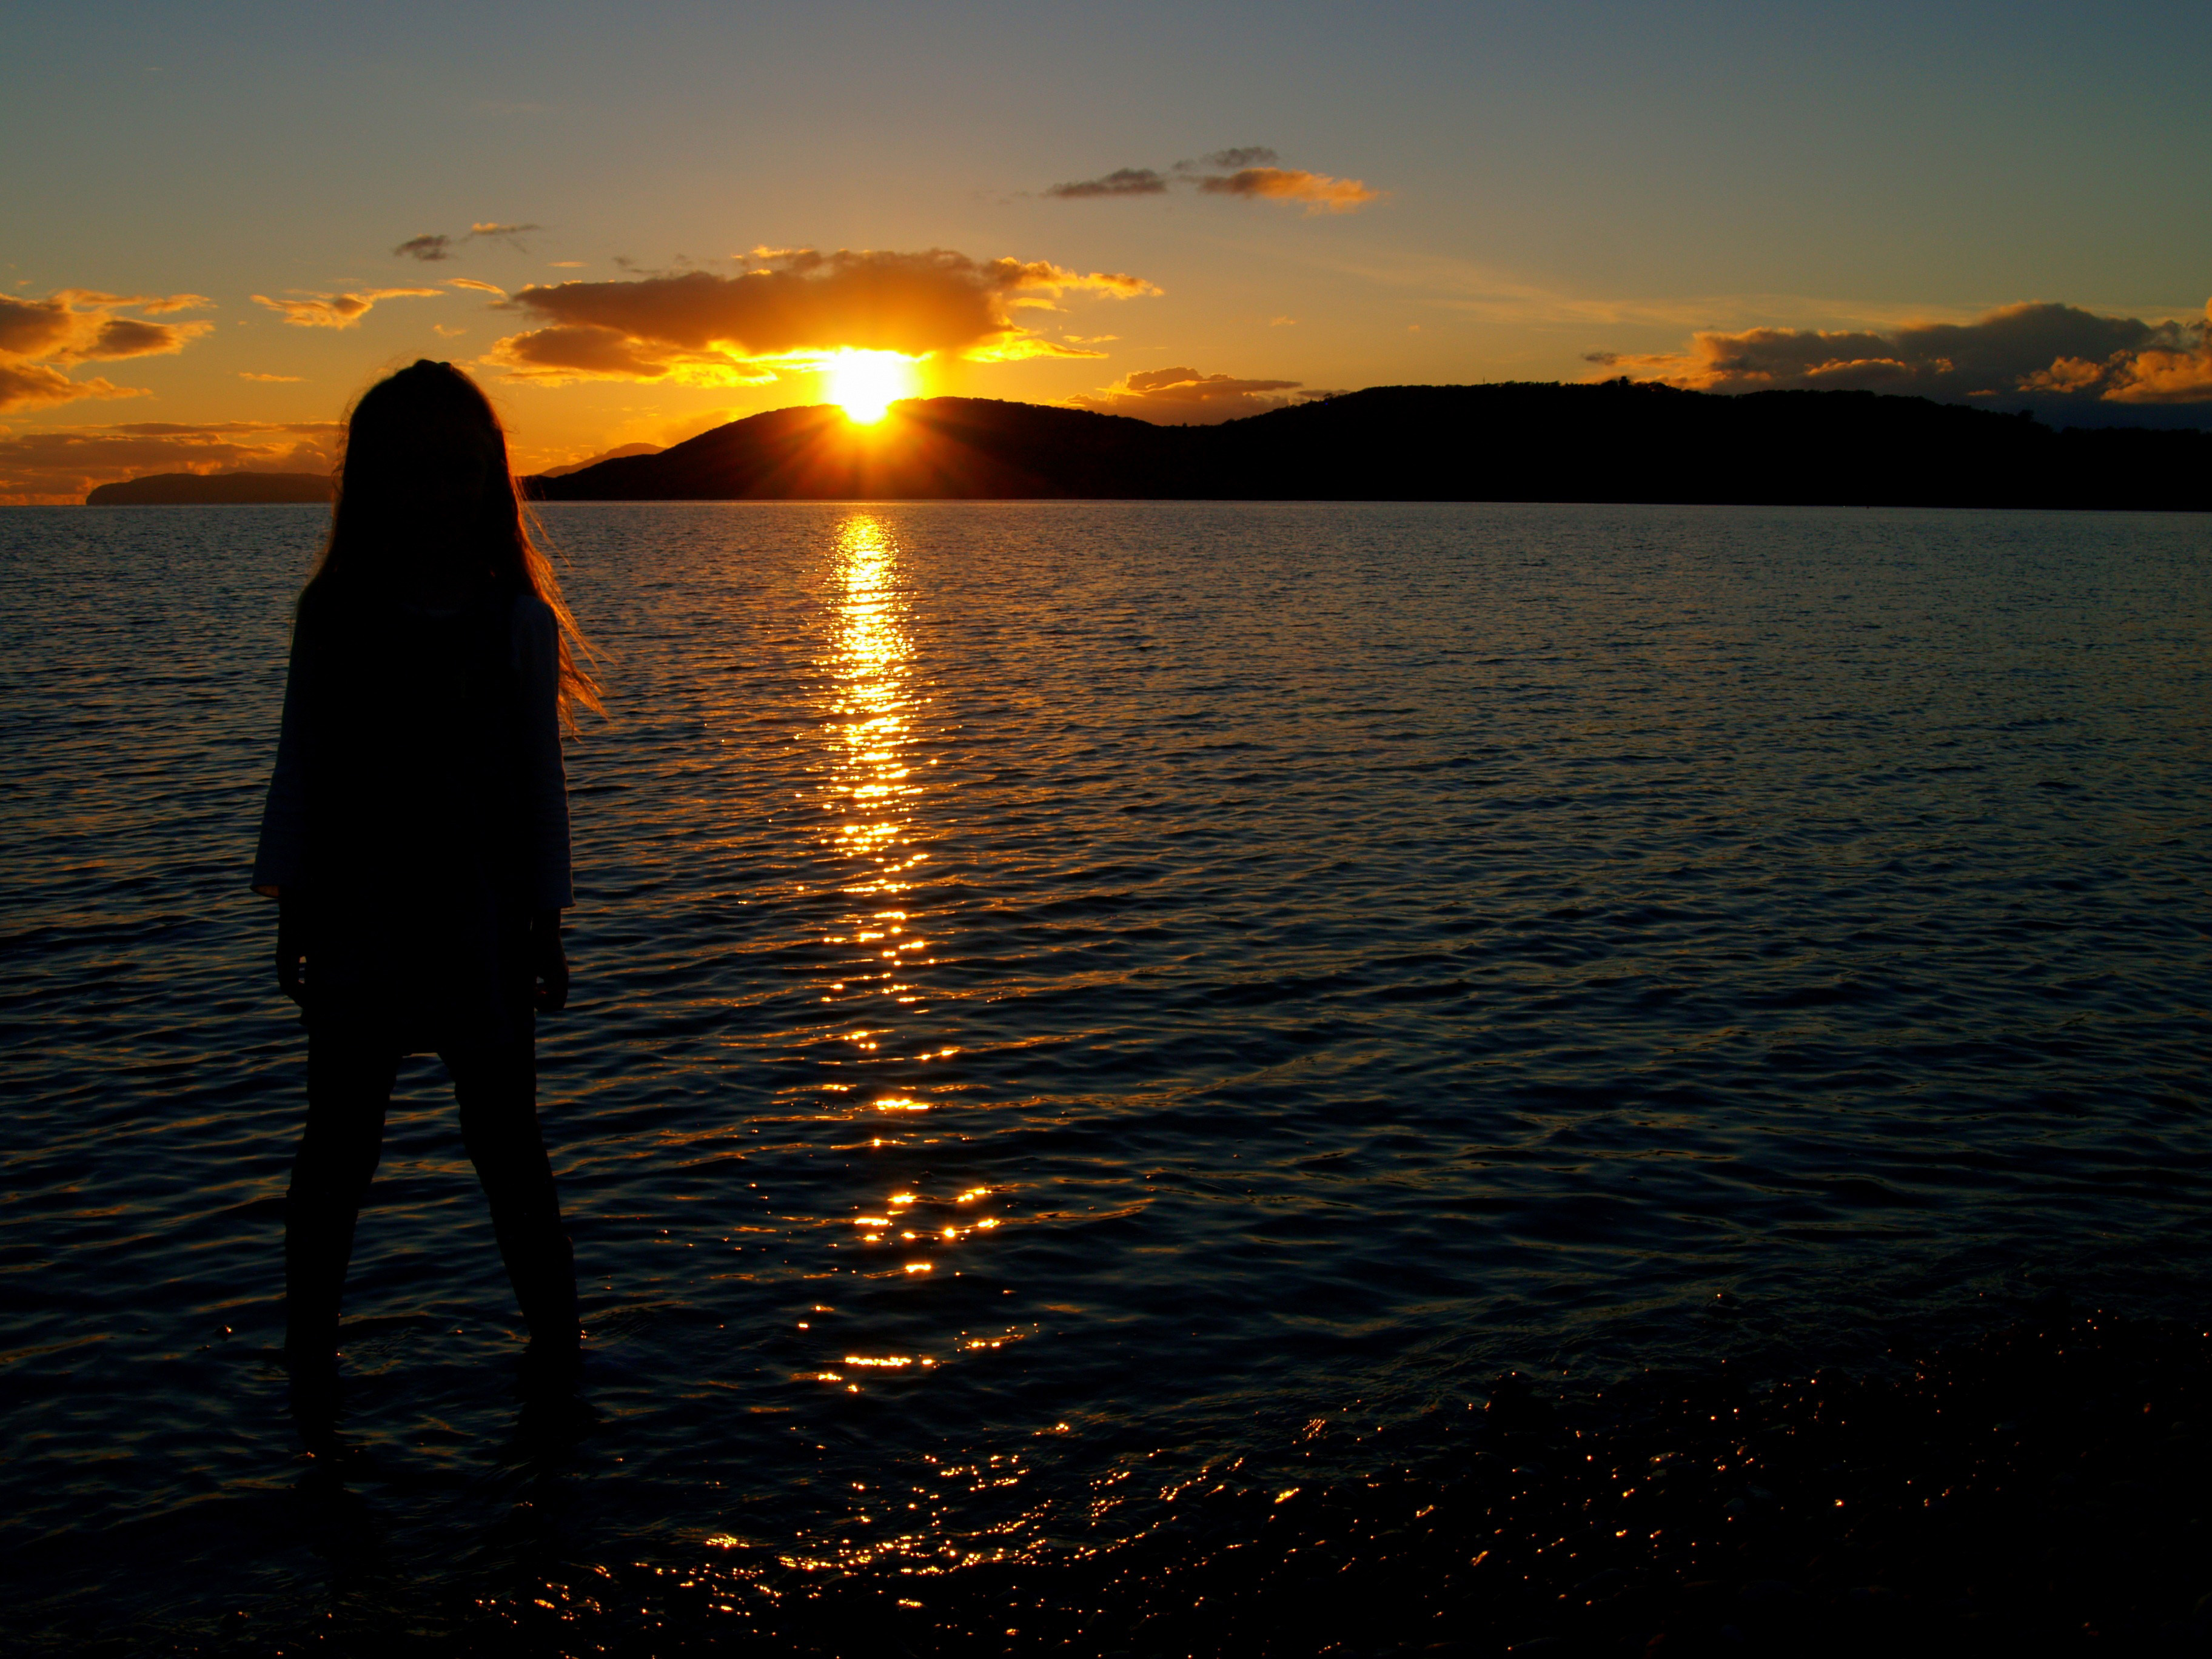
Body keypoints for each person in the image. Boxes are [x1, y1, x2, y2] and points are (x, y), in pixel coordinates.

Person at [251, 359, 601, 1387]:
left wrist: (547, 923)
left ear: (489, 483)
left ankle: (557, 1355)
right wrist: (293, 910)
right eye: (412, 473)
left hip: (483, 928)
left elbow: (540, 786)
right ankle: (307, 1361)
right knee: (336, 1155)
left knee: (510, 1155)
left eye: (457, 474)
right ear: (372, 483)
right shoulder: (337, 615)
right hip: (360, 923)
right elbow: (302, 765)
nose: (435, 495)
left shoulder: (514, 626)